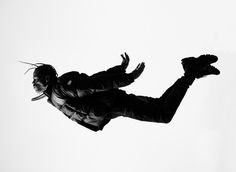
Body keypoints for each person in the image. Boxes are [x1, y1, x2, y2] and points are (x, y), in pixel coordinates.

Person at [23, 53, 220, 132]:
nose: (33, 84)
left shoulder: (59, 88)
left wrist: (127, 77)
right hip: (114, 107)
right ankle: (191, 69)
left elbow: (93, 84)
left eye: (35, 79)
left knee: (163, 114)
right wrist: (119, 70)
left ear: (47, 78)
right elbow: (92, 82)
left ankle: (192, 70)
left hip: (117, 104)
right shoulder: (56, 97)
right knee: (161, 106)